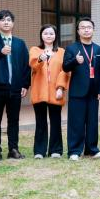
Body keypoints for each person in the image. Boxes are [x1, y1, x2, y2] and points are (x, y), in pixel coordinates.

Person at [0, 10, 30, 162]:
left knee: (14, 120)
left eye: (9, 20)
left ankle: (13, 149)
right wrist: (0, 52)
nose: (6, 22)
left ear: (13, 23)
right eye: (2, 20)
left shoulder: (20, 43)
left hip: (15, 88)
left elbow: (26, 65)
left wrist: (25, 84)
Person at [63, 17, 100, 161]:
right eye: (83, 27)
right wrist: (75, 61)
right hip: (77, 92)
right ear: (78, 31)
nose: (86, 30)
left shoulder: (99, 49)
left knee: (92, 122)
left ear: (93, 30)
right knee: (76, 122)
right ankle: (74, 151)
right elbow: (65, 67)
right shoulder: (72, 48)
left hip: (93, 92)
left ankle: (92, 149)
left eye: (89, 27)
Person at [29, 24, 70, 159]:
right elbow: (33, 65)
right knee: (40, 122)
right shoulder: (35, 50)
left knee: (56, 121)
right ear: (41, 35)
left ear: (55, 36)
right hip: (39, 91)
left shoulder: (61, 52)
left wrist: (60, 87)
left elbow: (65, 71)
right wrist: (41, 58)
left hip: (55, 91)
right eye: (46, 33)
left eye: (51, 33)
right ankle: (39, 151)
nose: (48, 36)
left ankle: (55, 150)